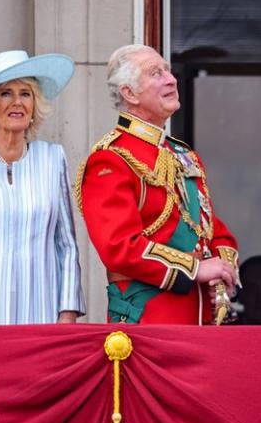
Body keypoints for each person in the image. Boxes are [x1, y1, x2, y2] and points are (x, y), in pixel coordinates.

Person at [77, 44, 238, 324]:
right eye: (155, 73)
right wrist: (195, 269)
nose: (171, 79)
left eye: (168, 71)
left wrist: (222, 273)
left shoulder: (183, 154)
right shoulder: (110, 158)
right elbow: (120, 248)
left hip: (200, 320)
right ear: (129, 93)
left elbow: (213, 231)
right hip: (147, 321)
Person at [0, 48, 85, 324]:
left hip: (41, 310)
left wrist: (68, 311)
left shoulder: (52, 158)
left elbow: (67, 244)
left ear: (34, 105)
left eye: (25, 93)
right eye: (6, 93)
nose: (17, 102)